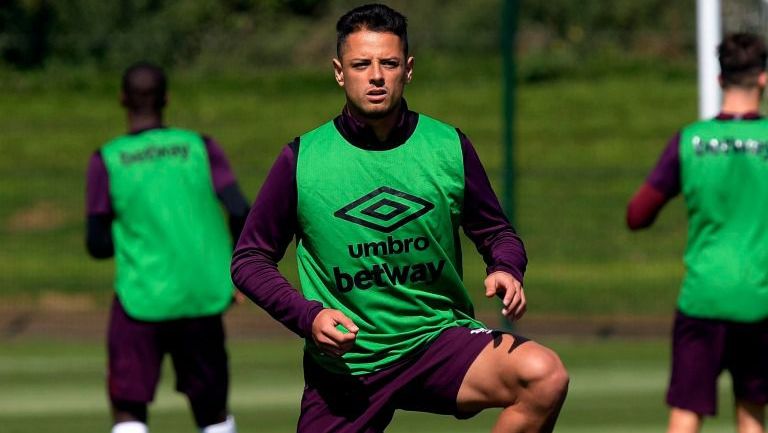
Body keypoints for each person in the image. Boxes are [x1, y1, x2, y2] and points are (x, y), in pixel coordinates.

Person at [231, 4, 568, 432]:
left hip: (437, 342)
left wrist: (505, 266)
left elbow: (496, 231)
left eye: (388, 63)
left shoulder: (446, 145)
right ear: (339, 72)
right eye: (361, 64)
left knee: (544, 375)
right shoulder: (303, 160)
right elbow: (249, 260)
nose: (376, 76)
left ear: (408, 70)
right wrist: (309, 316)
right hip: (348, 367)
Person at [85, 62, 249, 433]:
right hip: (202, 296)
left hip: (141, 299)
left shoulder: (108, 159)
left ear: (122, 100)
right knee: (213, 411)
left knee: (129, 408)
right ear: (167, 99)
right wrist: (240, 271)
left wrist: (137, 237)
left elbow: (96, 244)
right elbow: (241, 209)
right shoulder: (200, 147)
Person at [627, 33, 768, 433]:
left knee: (687, 412)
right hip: (760, 299)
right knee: (753, 413)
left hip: (703, 297)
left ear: (720, 79)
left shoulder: (690, 141)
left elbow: (637, 214)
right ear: (763, 79)